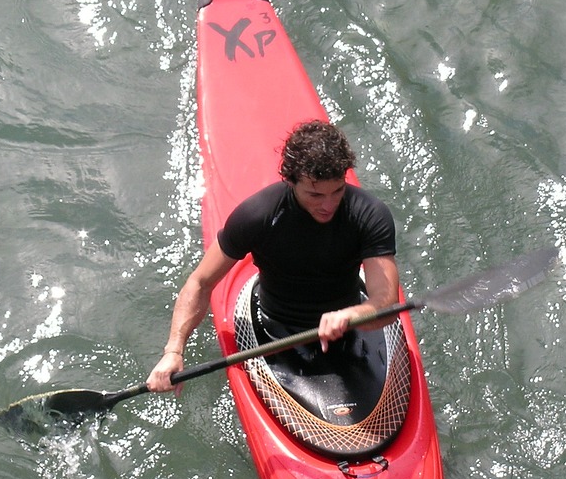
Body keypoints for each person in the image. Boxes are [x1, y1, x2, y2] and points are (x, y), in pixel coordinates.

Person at [146, 120, 399, 393]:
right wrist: (174, 350)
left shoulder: (370, 215)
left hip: (349, 330)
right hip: (276, 330)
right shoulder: (258, 215)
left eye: (337, 191)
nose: (328, 205)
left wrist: (352, 315)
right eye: (315, 194)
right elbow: (200, 282)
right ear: (290, 181)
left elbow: (385, 304)